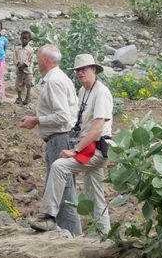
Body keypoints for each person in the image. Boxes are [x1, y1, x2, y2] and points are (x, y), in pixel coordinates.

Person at [31, 54, 113, 235]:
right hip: (89, 147)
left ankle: (48, 216)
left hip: (96, 148)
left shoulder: (101, 92)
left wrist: (75, 150)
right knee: (95, 195)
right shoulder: (84, 91)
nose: (79, 73)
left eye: (83, 69)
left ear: (94, 69)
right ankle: (105, 236)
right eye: (77, 70)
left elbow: (97, 129)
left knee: (59, 167)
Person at [20, 45, 83, 237]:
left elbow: (62, 117)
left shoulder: (54, 81)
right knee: (62, 187)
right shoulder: (59, 78)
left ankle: (72, 233)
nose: (36, 61)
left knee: (63, 189)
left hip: (60, 139)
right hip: (61, 138)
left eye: (38, 58)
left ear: (46, 60)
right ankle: (68, 233)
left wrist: (36, 120)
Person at [13, 30, 34, 105]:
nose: (24, 40)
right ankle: (19, 97)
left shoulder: (30, 50)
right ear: (20, 39)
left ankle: (27, 98)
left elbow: (30, 59)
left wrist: (24, 65)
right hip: (19, 70)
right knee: (18, 83)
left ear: (29, 40)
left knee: (28, 84)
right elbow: (15, 58)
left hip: (28, 70)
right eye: (23, 38)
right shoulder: (17, 49)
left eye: (26, 39)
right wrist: (18, 64)